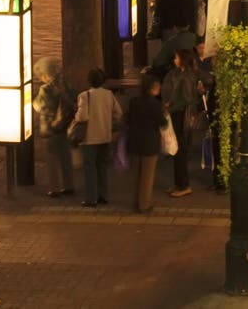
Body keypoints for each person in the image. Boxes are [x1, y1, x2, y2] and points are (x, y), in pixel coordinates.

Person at [74, 68, 123, 207]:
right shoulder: (109, 94)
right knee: (102, 167)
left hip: (89, 138)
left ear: (89, 81)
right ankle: (104, 195)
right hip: (105, 136)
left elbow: (82, 116)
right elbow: (118, 113)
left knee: (90, 168)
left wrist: (76, 116)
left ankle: (91, 198)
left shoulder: (84, 95)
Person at [32, 57, 75, 199]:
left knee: (52, 158)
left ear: (45, 74)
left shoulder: (45, 89)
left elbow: (40, 106)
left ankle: (54, 188)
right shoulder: (64, 84)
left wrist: (33, 101)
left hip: (50, 128)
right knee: (65, 156)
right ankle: (69, 185)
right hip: (64, 125)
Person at [126, 73, 167, 213]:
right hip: (149, 143)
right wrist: (165, 114)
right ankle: (144, 205)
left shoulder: (133, 101)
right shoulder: (154, 104)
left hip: (134, 141)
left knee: (136, 174)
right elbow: (162, 123)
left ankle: (135, 201)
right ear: (153, 87)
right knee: (147, 176)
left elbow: (129, 119)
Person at [161, 49, 199, 197]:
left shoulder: (185, 77)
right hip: (179, 115)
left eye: (176, 57)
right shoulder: (184, 74)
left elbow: (185, 99)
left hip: (181, 116)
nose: (174, 59)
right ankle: (179, 184)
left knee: (180, 150)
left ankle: (184, 185)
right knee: (178, 150)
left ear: (183, 59)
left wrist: (169, 108)